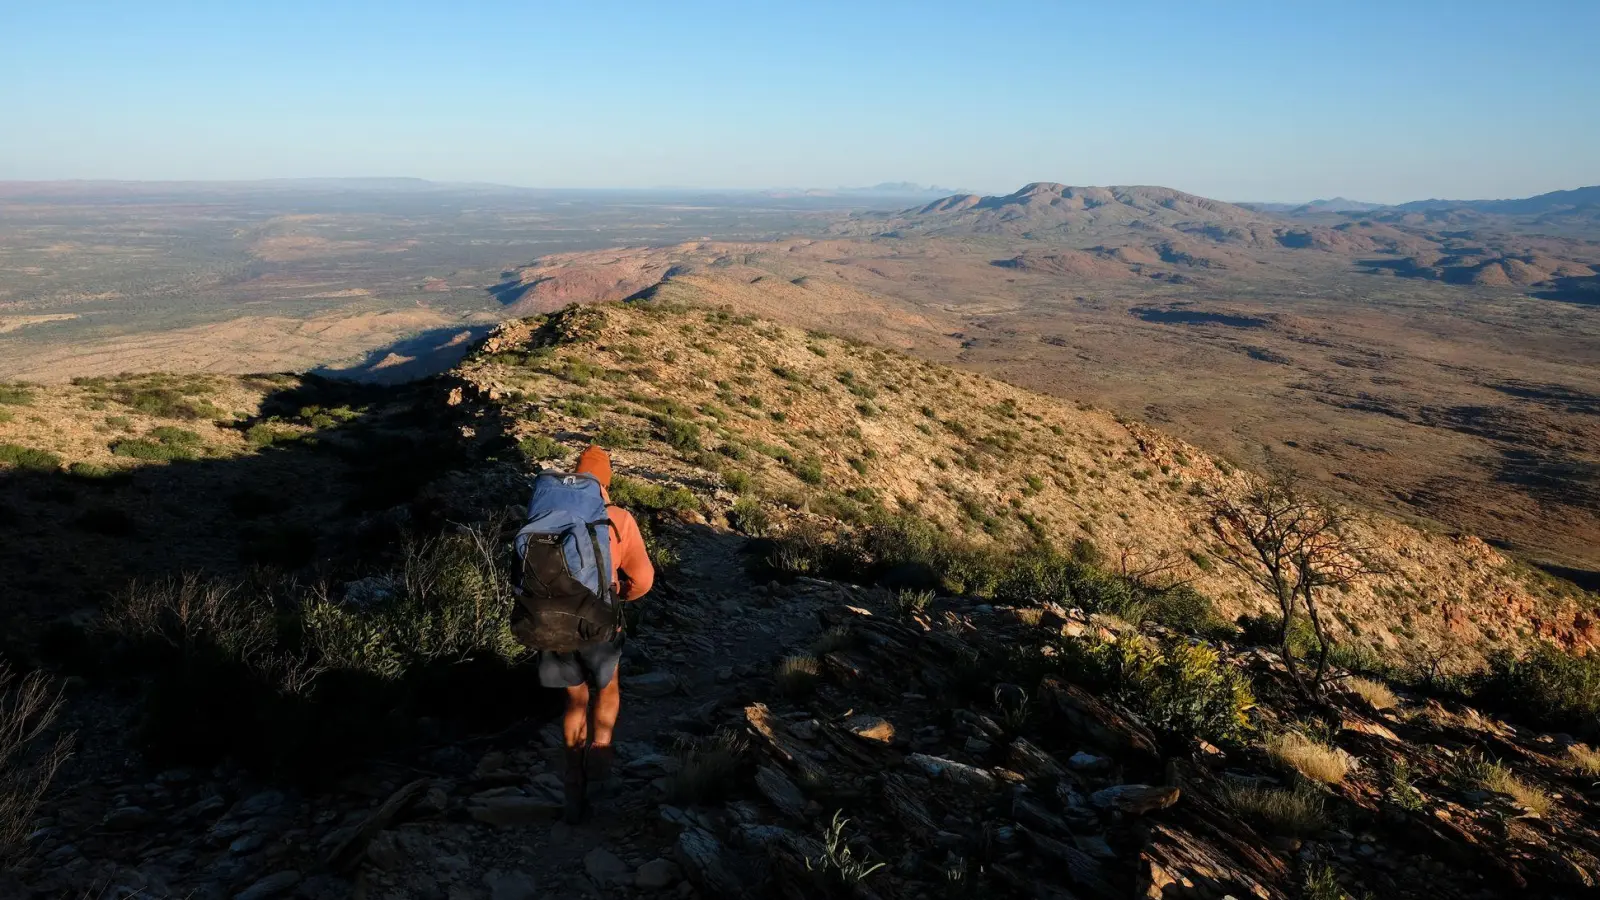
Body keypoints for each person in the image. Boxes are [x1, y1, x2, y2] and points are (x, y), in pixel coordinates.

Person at [531, 445, 654, 823]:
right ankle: (600, 760)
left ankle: (572, 773)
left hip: (551, 620)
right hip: (600, 621)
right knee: (608, 688)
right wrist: (623, 597)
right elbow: (643, 580)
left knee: (574, 701)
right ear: (607, 479)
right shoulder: (618, 518)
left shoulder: (548, 514)